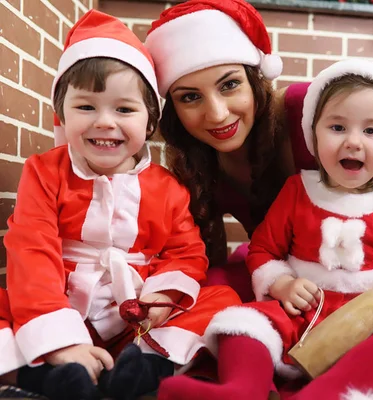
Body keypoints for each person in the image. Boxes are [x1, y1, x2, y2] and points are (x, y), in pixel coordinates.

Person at [145, 0, 373, 354]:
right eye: (190, 97)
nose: (218, 113)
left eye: (229, 85)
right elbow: (211, 258)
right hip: (300, 268)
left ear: (255, 80)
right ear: (173, 109)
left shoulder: (302, 112)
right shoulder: (196, 165)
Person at [157, 59, 373, 400]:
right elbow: (264, 250)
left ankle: (326, 393)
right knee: (241, 323)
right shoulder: (298, 190)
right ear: (313, 134)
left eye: (371, 131)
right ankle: (240, 389)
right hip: (305, 311)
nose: (354, 142)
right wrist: (282, 284)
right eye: (337, 128)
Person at [0, 10, 240, 400]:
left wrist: (163, 296)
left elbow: (186, 252)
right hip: (60, 301)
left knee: (220, 298)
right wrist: (61, 341)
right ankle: (50, 373)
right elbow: (31, 251)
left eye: (124, 109)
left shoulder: (166, 187)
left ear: (149, 123)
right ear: (61, 114)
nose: (104, 122)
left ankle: (145, 364)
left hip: (134, 316)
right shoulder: (44, 172)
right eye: (86, 107)